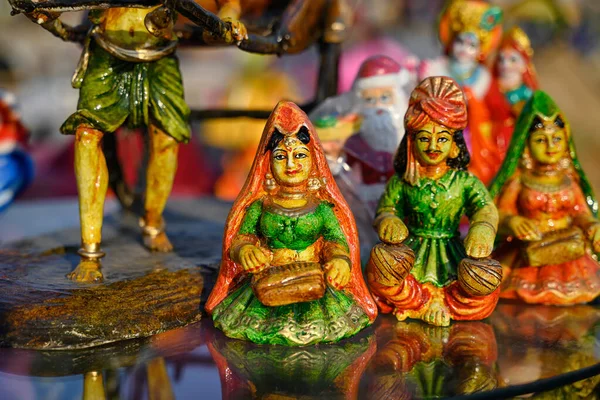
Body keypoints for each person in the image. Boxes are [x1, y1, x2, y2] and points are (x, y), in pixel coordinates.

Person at [205, 101, 377, 345]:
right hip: (269, 280)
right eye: (280, 156)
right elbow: (241, 238)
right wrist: (245, 251)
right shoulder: (260, 206)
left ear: (315, 161)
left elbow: (335, 240)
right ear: (267, 163)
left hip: (315, 282)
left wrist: (339, 260)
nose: (291, 165)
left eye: (299, 155)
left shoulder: (322, 208)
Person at [367, 76, 501, 327]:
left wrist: (482, 229)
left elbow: (485, 208)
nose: (433, 146)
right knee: (379, 270)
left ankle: (437, 303)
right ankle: (421, 304)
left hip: (452, 255)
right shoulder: (403, 181)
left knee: (485, 285)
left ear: (455, 146)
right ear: (411, 143)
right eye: (424, 138)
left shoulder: (465, 182)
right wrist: (389, 220)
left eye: (442, 138)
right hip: (411, 254)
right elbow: (386, 209)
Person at [489, 90, 600, 305]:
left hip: (568, 252)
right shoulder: (519, 182)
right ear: (526, 145)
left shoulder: (569, 182)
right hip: (527, 254)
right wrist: (513, 222)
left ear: (566, 141)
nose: (550, 147)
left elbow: (581, 214)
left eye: (557, 138)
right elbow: (496, 215)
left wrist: (592, 225)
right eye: (541, 140)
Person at [420, 0, 513, 184]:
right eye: (460, 42)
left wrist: (472, 102)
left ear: (480, 49)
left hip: (470, 141)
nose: (464, 49)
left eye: (471, 45)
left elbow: (495, 114)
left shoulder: (483, 78)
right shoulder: (434, 68)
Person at [494, 26, 539, 117]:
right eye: (501, 59)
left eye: (513, 60)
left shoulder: (526, 92)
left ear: (523, 64)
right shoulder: (491, 83)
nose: (505, 65)